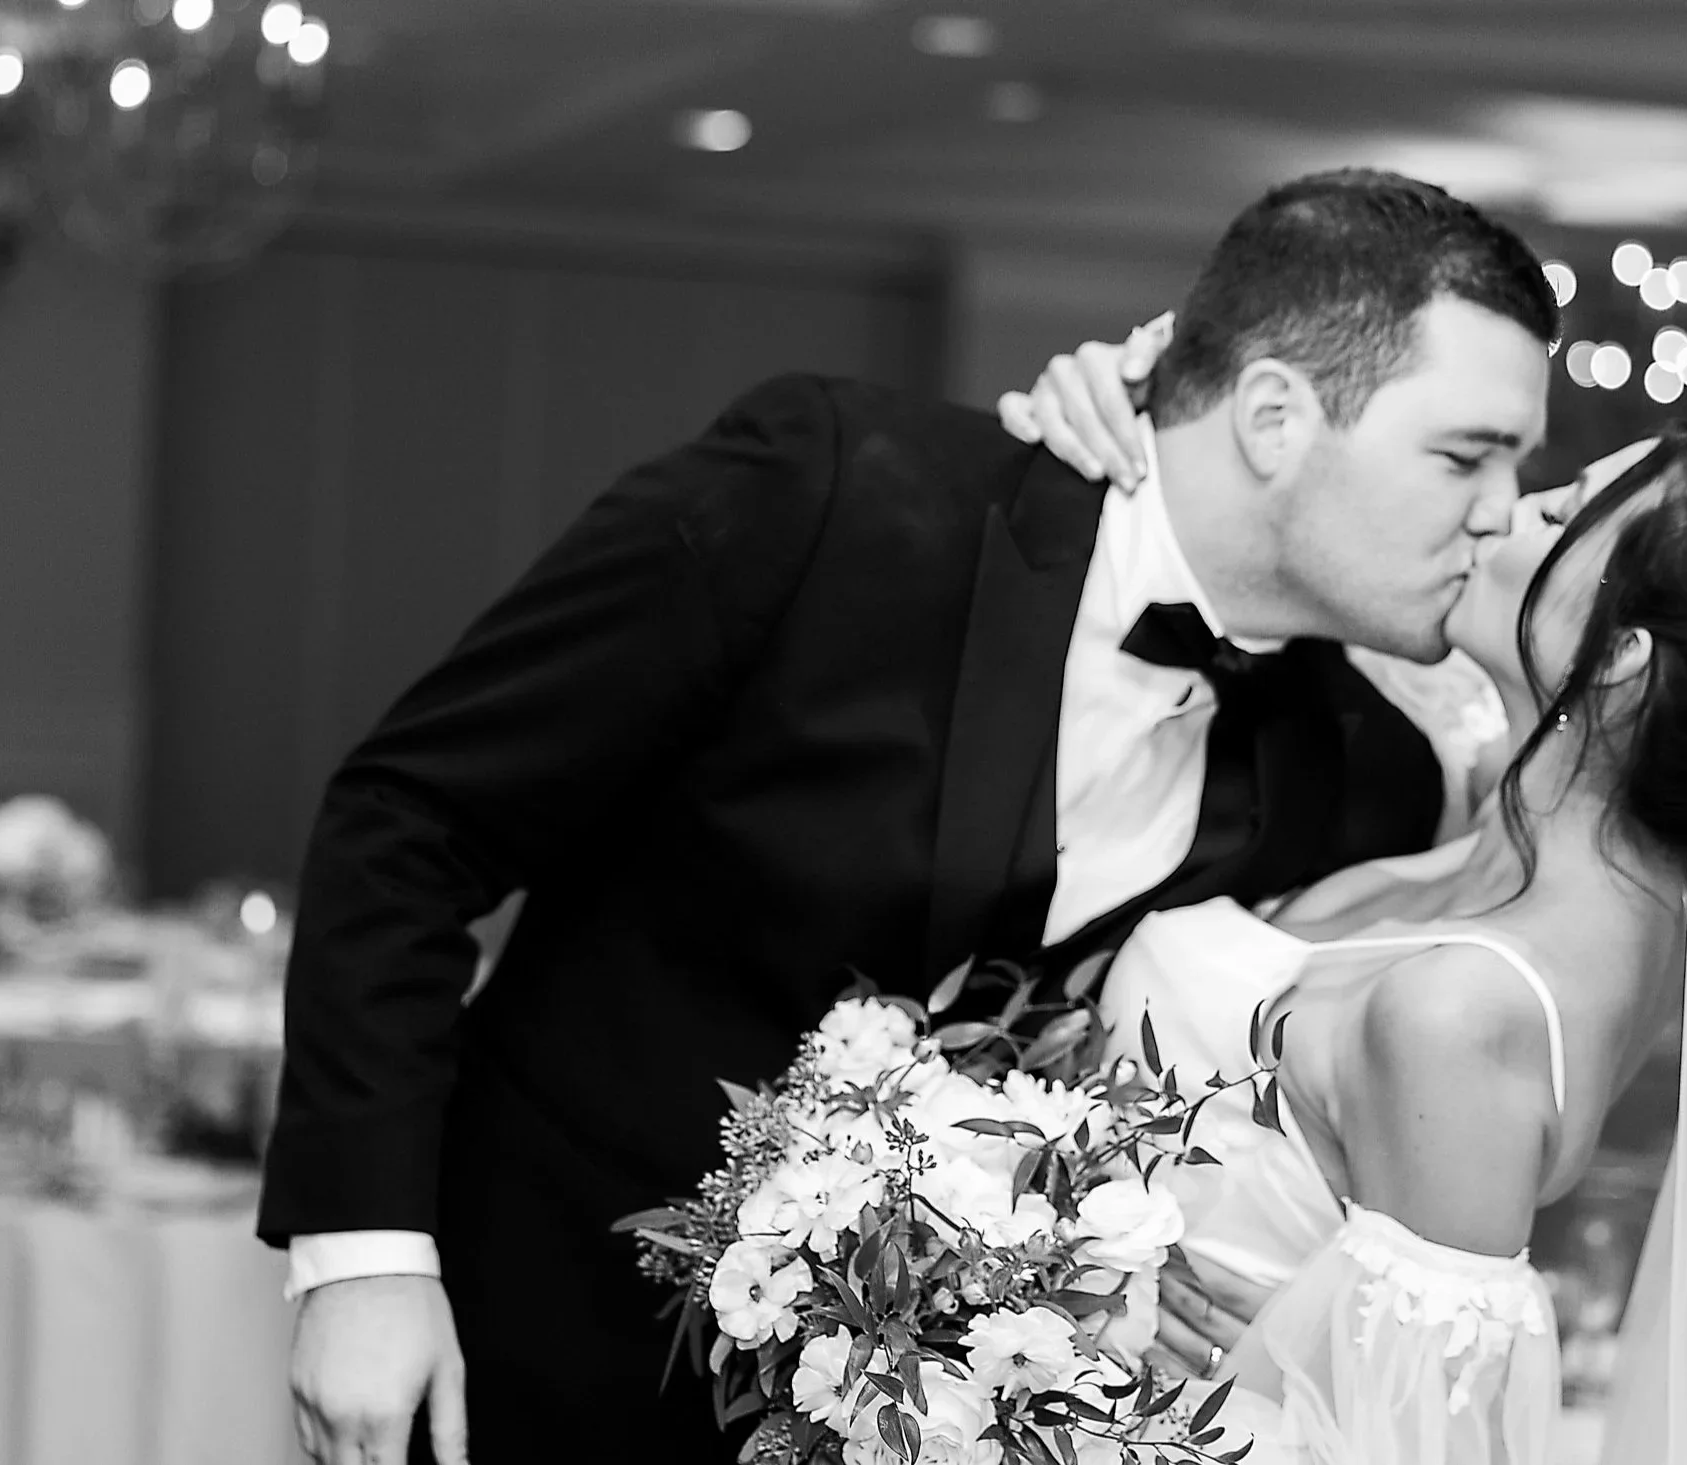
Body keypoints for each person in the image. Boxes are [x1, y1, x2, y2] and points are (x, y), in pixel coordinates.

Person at [258, 167, 1560, 1465]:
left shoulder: (1361, 770)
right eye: (1464, 455)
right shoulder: (833, 495)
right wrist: (364, 1260)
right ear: (1273, 416)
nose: (1497, 512)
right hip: (524, 1344)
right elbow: (409, 822)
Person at [1001, 345, 1687, 1463]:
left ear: (1618, 658)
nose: (1501, 512)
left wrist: (1265, 1373)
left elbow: (1424, 1442)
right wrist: (1150, 395)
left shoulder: (1468, 1010)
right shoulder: (1478, 821)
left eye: (1560, 508)